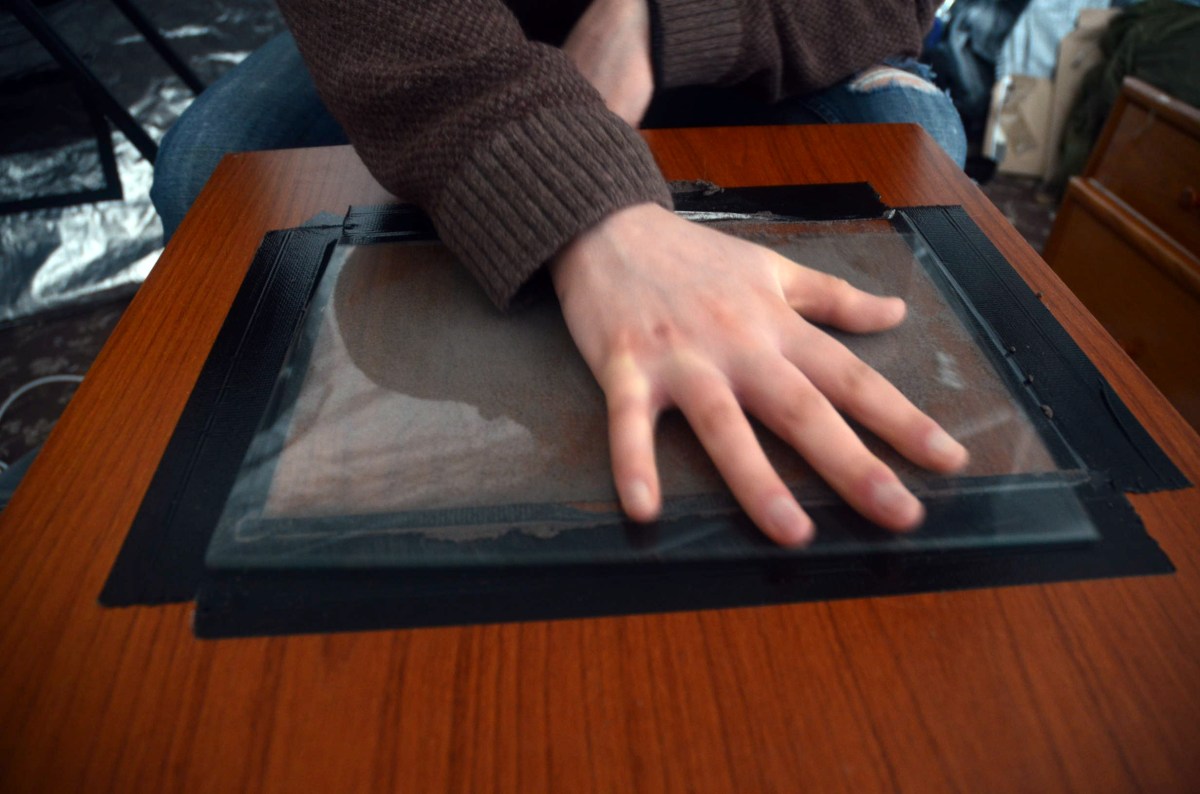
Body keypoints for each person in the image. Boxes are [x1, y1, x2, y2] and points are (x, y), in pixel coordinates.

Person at [151, 0, 970, 545]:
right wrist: (585, 208)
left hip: (760, 23)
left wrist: (658, 20)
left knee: (915, 150)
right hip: (460, 27)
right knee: (204, 169)